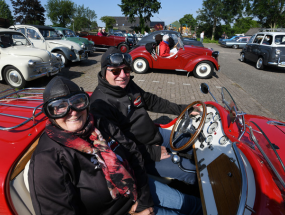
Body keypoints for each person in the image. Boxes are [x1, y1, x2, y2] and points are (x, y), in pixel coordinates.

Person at [28, 76, 202, 215]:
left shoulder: (100, 124)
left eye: (78, 101)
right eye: (59, 107)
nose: (72, 111)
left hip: (139, 189)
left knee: (190, 204)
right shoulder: (48, 159)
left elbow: (133, 154)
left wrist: (143, 202)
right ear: (49, 113)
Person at [90, 47, 198, 185]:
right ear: (104, 71)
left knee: (193, 141)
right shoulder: (100, 105)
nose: (122, 75)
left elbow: (152, 101)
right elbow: (117, 146)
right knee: (191, 170)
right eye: (116, 71)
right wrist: (152, 152)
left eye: (126, 70)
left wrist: (184, 109)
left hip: (154, 134)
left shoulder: (127, 85)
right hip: (140, 154)